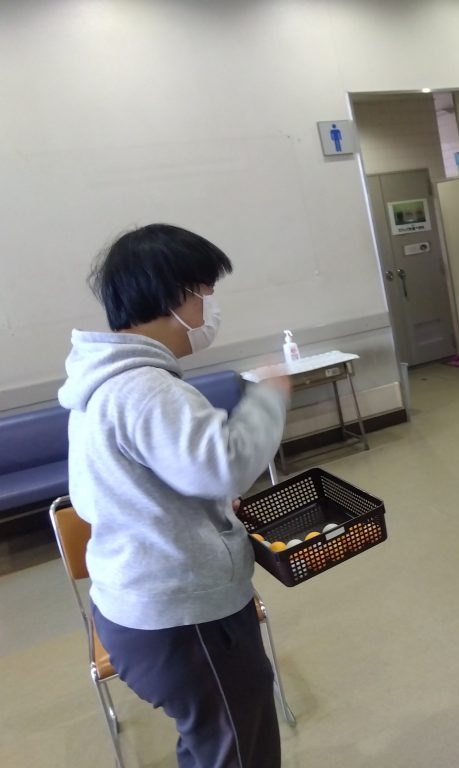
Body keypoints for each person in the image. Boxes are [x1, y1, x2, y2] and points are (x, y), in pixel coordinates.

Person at [58, 223, 292, 768]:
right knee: (239, 752)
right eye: (205, 292)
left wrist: (203, 509)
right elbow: (227, 465)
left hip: (132, 611)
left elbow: (108, 495)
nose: (210, 306)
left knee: (211, 742)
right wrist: (270, 398)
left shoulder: (97, 386)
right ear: (173, 296)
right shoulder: (146, 389)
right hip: (185, 618)